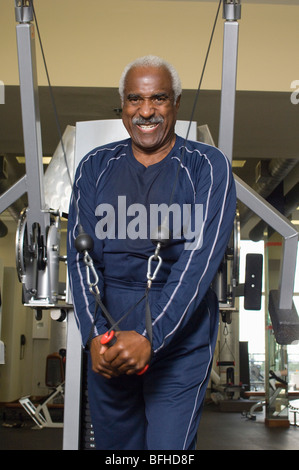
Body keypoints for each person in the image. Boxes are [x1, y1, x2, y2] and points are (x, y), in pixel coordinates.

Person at [67, 55, 236, 450]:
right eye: (134, 100)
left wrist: (151, 336)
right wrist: (94, 334)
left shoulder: (208, 167)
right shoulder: (95, 166)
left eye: (158, 99)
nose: (146, 111)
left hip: (180, 330)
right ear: (123, 106)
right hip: (109, 329)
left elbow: (198, 265)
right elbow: (80, 258)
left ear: (176, 103)